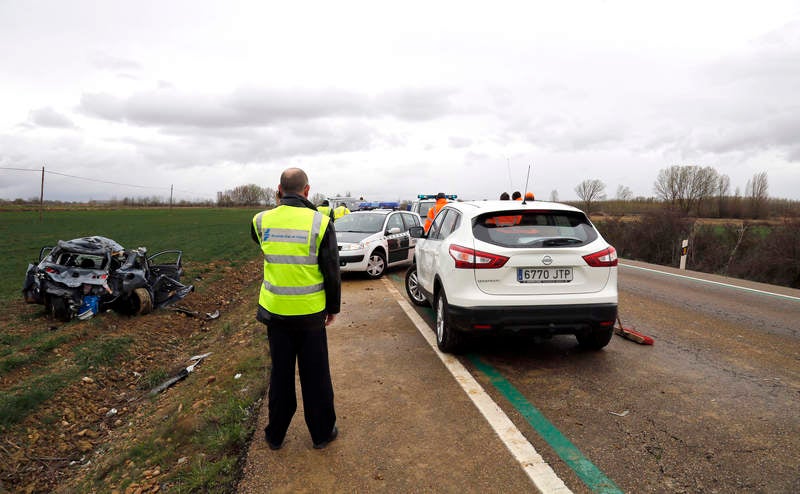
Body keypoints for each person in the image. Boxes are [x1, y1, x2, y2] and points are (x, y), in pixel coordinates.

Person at [251, 168, 341, 450]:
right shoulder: (321, 222)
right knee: (316, 377)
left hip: (276, 313)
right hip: (310, 314)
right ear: (307, 190)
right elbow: (331, 271)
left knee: (280, 375)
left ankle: (275, 435)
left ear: (278, 189)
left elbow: (262, 243)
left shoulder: (260, 220)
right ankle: (322, 434)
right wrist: (333, 308)